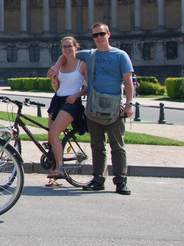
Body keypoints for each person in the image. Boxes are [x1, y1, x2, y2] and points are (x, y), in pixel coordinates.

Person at [48, 22, 134, 195]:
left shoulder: (120, 55)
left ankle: (120, 181)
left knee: (117, 145)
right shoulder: (89, 55)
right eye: (95, 35)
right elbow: (67, 54)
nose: (99, 38)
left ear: (108, 34)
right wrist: (57, 66)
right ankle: (98, 180)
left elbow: (128, 81)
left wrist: (130, 104)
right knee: (97, 145)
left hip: (114, 105)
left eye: (101, 34)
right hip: (93, 106)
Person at [44, 36, 88, 187]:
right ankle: (53, 173)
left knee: (54, 133)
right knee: (51, 138)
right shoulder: (61, 65)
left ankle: (60, 169)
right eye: (64, 46)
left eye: (70, 46)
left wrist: (76, 95)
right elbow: (57, 88)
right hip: (57, 100)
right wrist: (54, 80)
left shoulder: (82, 65)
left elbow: (89, 86)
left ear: (76, 47)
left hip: (72, 103)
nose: (67, 49)